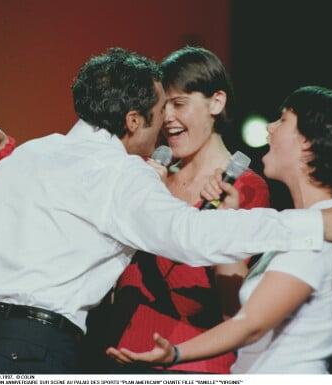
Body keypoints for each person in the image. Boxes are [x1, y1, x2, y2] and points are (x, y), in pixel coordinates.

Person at [0, 47, 332, 374]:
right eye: (159, 110)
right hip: (33, 349)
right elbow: (190, 236)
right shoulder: (121, 174)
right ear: (132, 121)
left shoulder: (29, 153)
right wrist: (314, 223)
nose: (165, 123)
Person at [107, 85, 332, 373]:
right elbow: (234, 314)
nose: (270, 128)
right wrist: (226, 219)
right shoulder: (303, 226)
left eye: (283, 120)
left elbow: (251, 325)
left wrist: (175, 354)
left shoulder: (326, 229)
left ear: (307, 143)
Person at [94, 46, 270, 374]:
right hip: (117, 353)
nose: (167, 118)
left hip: (188, 361)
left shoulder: (244, 187)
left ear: (216, 102)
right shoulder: (150, 175)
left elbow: (231, 304)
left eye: (179, 104)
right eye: (162, 107)